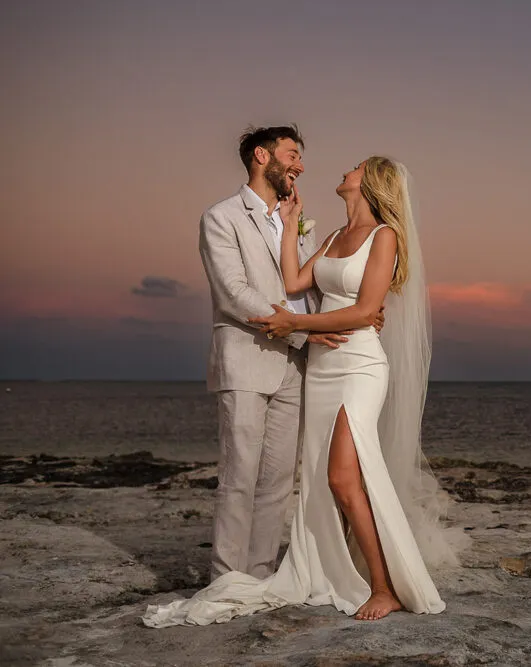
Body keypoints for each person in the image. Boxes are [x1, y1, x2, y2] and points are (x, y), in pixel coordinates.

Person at [144, 155, 456, 628]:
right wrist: (290, 225)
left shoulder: (383, 236)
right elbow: (293, 282)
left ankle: (385, 587)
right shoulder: (331, 236)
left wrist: (296, 323)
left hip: (359, 367)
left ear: (370, 182)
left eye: (355, 167)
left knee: (343, 475)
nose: (344, 171)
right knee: (322, 476)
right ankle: (344, 569)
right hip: (322, 367)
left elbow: (364, 311)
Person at [195, 125, 373, 583]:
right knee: (239, 477)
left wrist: (355, 314)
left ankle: (259, 575)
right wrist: (300, 333)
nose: (300, 165)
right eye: (292, 154)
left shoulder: (300, 222)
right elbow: (234, 293)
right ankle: (225, 579)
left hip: (298, 365)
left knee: (276, 481)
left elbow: (313, 287)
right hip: (247, 360)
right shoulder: (221, 217)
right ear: (262, 156)